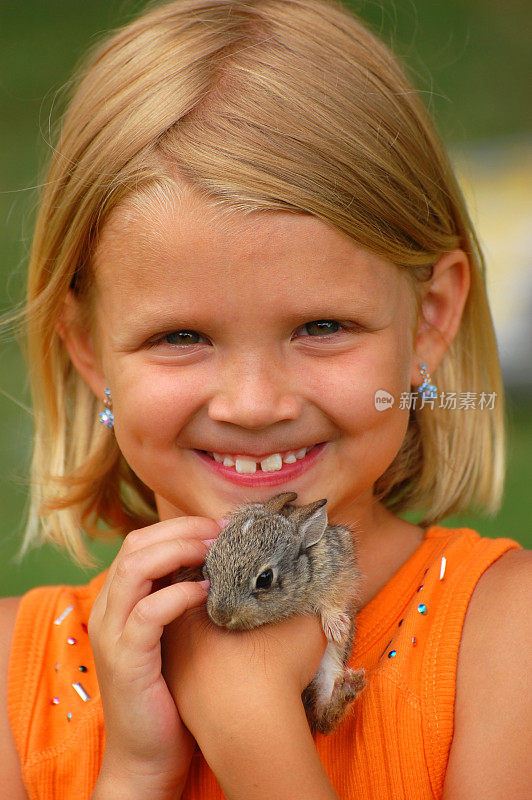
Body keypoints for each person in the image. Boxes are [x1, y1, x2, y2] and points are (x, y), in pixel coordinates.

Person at [0, 0, 530, 797]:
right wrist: (137, 772)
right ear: (87, 350)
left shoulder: (506, 641)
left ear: (429, 320)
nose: (253, 403)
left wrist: (250, 726)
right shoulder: (16, 678)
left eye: (321, 325)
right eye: (181, 337)